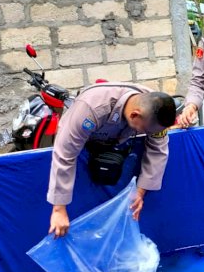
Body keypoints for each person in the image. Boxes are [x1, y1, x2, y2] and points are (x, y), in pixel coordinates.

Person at [48, 84, 177, 238]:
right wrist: (59, 209)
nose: (148, 134)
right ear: (135, 115)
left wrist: (140, 192)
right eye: (146, 131)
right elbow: (65, 154)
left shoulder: (156, 109)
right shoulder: (91, 109)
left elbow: (158, 149)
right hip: (83, 141)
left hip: (114, 145)